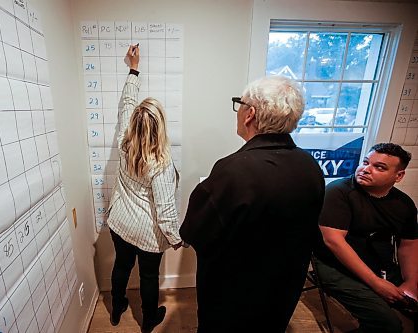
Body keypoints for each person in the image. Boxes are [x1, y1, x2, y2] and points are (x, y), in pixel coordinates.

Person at [179, 75, 325, 332]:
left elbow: (195, 232)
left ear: (250, 114)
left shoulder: (232, 171)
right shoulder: (310, 166)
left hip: (234, 296)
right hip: (284, 288)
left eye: (240, 104)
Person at [107, 45, 183, 333]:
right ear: (160, 128)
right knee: (149, 277)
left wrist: (133, 70)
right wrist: (177, 239)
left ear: (137, 122)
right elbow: (165, 212)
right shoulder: (160, 163)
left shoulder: (125, 141)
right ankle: (149, 321)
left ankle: (117, 307)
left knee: (121, 267)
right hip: (147, 233)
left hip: (119, 223)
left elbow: (126, 103)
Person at [314, 143, 418, 333]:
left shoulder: (404, 203)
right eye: (365, 162)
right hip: (334, 265)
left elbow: (409, 244)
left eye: (379, 167)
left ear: (399, 176)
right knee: (387, 324)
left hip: (379, 263)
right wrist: (377, 284)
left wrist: (411, 282)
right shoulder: (339, 192)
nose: (365, 169)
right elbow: (334, 242)